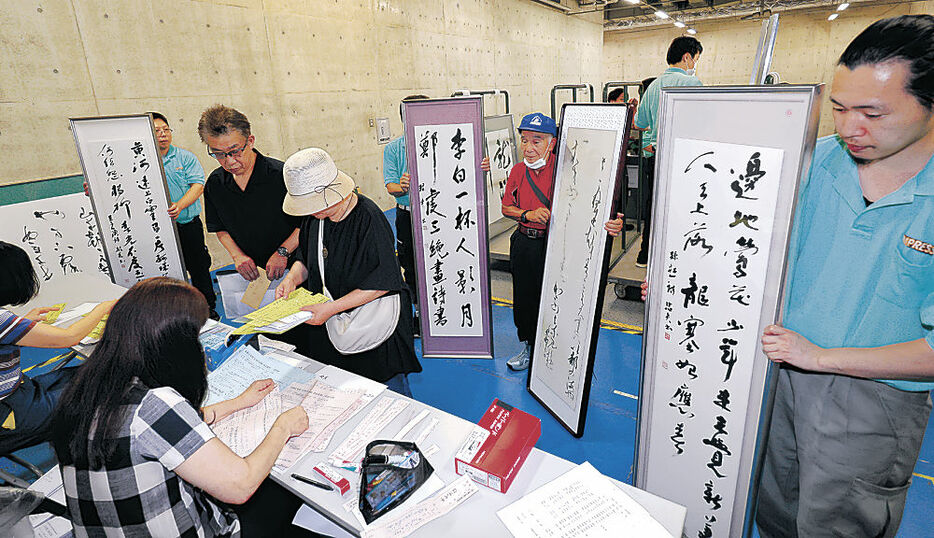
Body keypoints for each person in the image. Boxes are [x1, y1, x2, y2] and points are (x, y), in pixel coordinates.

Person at [756, 15, 934, 538]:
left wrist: (821, 358)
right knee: (773, 507)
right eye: (838, 108)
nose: (849, 128)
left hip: (874, 401)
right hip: (780, 372)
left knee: (836, 524)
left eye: (872, 113)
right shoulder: (819, 161)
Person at [50, 277, 315, 537]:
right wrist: (282, 428)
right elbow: (240, 486)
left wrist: (238, 403)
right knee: (281, 494)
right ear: (173, 346)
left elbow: (166, 429)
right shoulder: (155, 404)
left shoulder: (89, 387)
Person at [275, 148, 421, 397]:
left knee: (387, 392)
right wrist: (291, 278)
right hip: (331, 319)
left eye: (314, 205)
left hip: (373, 322)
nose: (312, 212)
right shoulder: (316, 218)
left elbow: (383, 281)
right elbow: (306, 259)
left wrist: (330, 309)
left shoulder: (368, 218)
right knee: (342, 389)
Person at [500, 113, 624, 371]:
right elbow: (506, 207)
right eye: (524, 141)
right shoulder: (518, 170)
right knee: (525, 297)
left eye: (537, 141)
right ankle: (529, 345)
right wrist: (527, 214)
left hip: (559, 245)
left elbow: (594, 204)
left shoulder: (569, 168)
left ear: (552, 142)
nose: (529, 148)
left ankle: (561, 348)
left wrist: (612, 223)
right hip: (525, 243)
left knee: (561, 296)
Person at [0, 241, 114, 454]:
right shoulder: (1, 320)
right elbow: (68, 338)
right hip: (10, 414)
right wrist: (102, 308)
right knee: (104, 388)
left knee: (91, 375)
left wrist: (21, 324)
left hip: (16, 393)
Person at [200, 105, 300, 283]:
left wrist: (283, 252)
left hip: (296, 264)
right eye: (219, 154)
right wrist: (237, 256)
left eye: (235, 151)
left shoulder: (281, 175)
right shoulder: (215, 183)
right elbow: (219, 227)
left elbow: (307, 222)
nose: (230, 161)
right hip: (255, 272)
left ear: (251, 141)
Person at [633, 36, 703, 267]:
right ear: (687, 57)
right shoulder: (692, 84)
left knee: (652, 207)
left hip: (653, 157)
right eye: (696, 59)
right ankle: (673, 257)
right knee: (679, 209)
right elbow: (700, 125)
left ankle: (645, 254)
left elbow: (640, 123)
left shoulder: (652, 86)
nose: (695, 64)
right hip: (679, 159)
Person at [152, 112, 219, 320]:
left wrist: (179, 206)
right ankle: (174, 313)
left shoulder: (184, 157)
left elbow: (198, 185)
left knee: (199, 268)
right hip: (159, 230)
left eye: (166, 130)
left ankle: (208, 309)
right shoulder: (141, 162)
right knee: (167, 272)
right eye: (157, 131)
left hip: (187, 224)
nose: (163, 134)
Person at [384, 94, 429, 335]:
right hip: (407, 216)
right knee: (411, 265)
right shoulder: (394, 149)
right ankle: (419, 314)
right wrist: (402, 186)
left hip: (437, 216)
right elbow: (390, 186)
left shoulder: (443, 144)